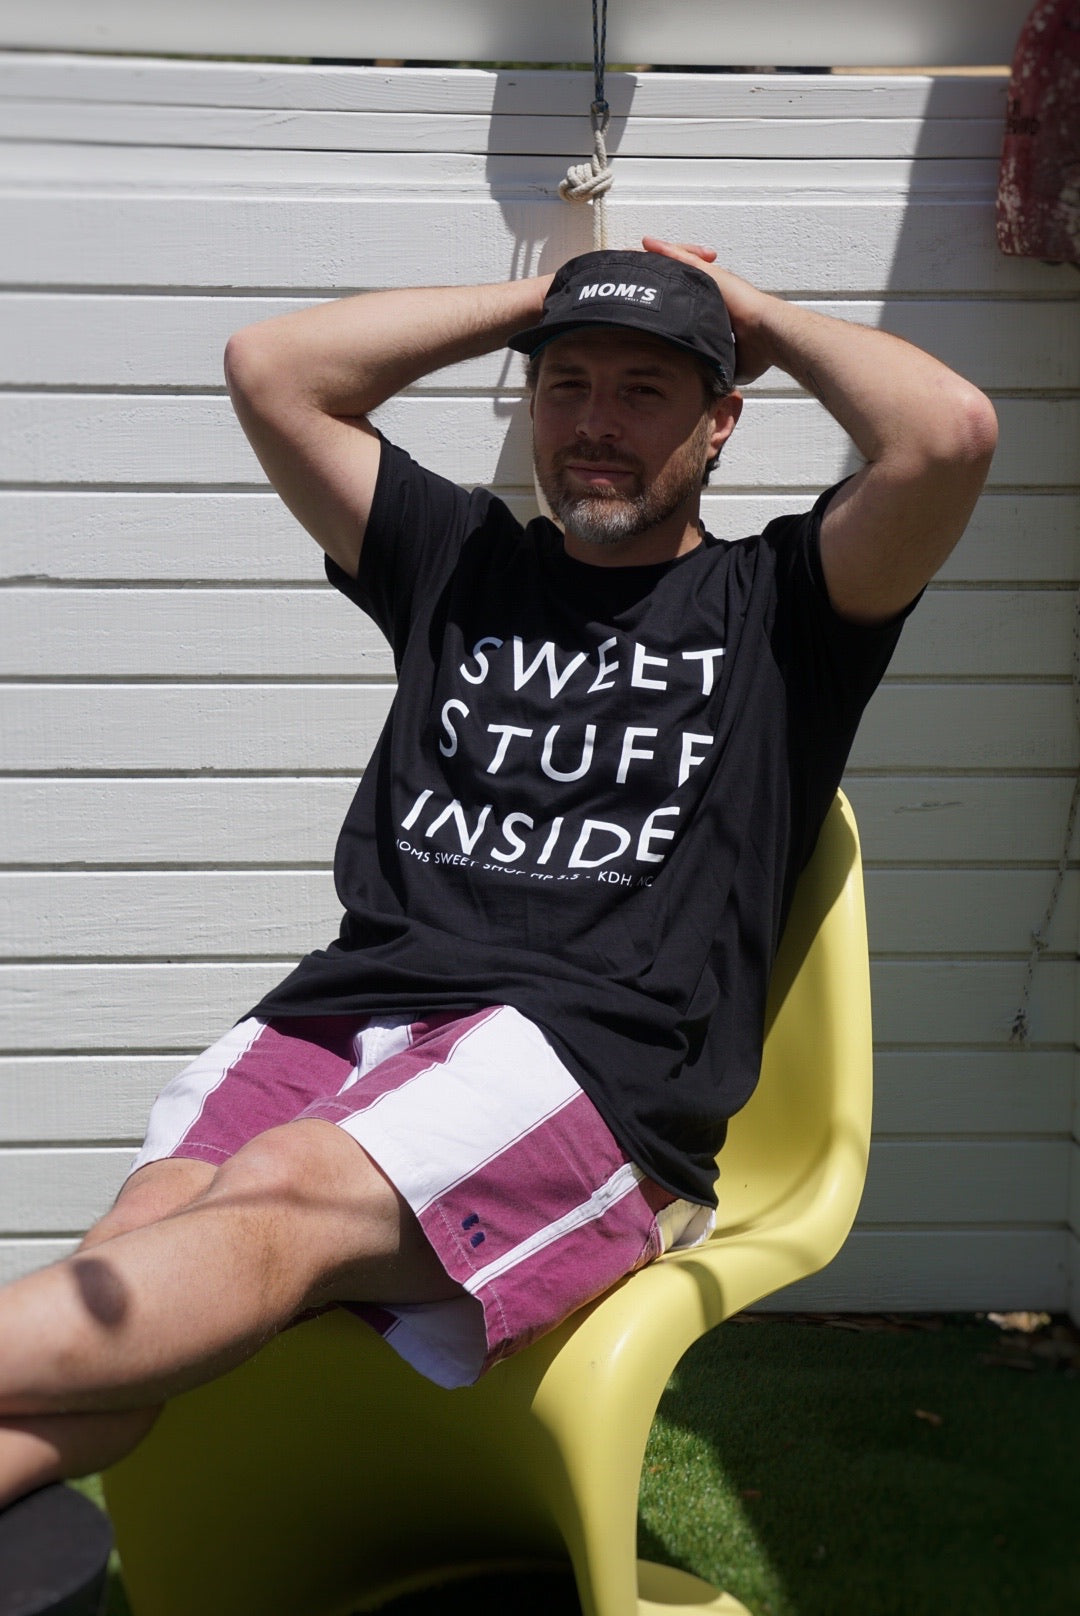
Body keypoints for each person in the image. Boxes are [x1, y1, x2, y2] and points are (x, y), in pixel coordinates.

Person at [0, 238, 997, 1511]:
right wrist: (551, 296)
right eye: (565, 384)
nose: (595, 422)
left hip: (591, 1057)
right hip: (349, 1010)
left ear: (721, 422)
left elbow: (949, 434)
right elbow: (272, 368)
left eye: (645, 390)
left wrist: (749, 310)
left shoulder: (782, 604)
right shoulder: (460, 559)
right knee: (142, 1245)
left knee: (280, 1188)